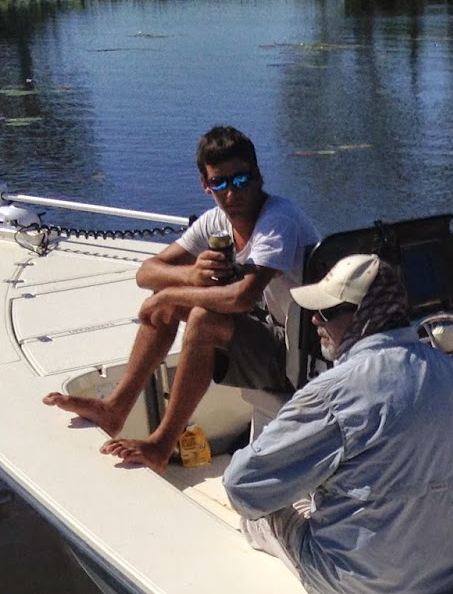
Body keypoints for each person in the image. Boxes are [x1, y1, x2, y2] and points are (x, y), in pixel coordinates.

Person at [42, 125, 320, 472]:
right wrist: (189, 276)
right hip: (273, 333)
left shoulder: (278, 220)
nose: (232, 192)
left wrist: (169, 293)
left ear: (258, 175)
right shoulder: (216, 222)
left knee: (201, 317)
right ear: (206, 185)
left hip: (303, 355)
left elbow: (241, 297)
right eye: (219, 182)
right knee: (171, 301)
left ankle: (161, 444)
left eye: (241, 179)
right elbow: (147, 272)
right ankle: (115, 407)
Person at [223, 254, 453, 594]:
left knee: (258, 513)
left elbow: (242, 487)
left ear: (365, 316)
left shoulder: (331, 394)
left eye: (327, 312)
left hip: (357, 584)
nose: (315, 319)